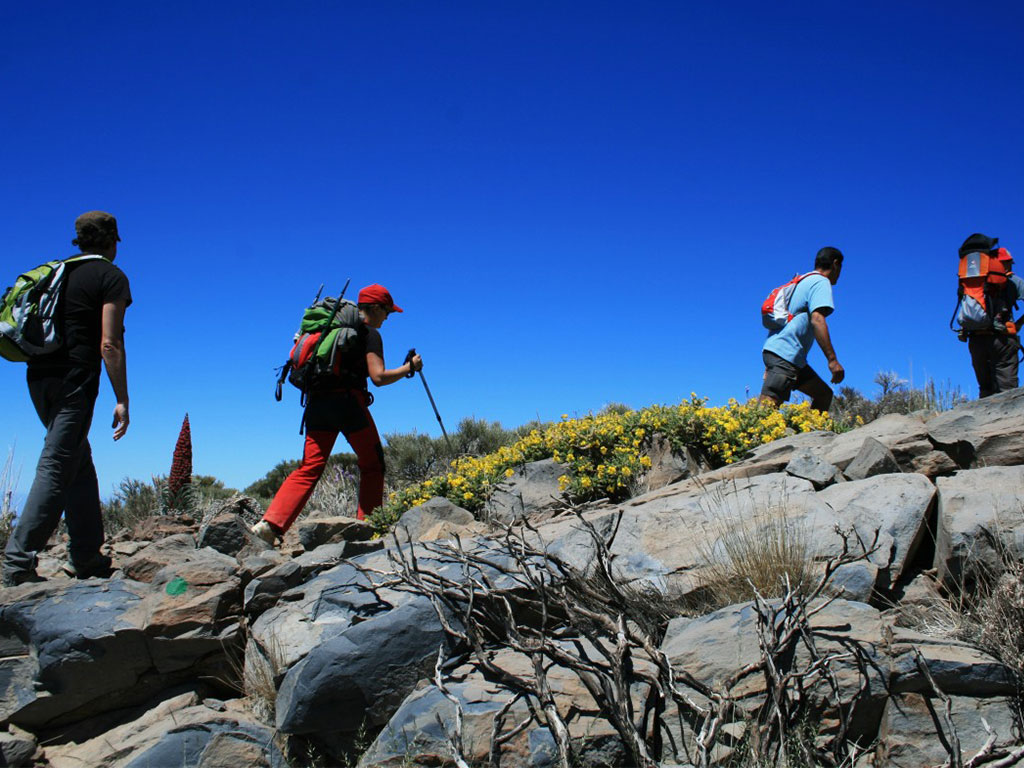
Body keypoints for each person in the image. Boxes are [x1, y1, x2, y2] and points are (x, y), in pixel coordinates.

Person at [2, 211, 131, 587]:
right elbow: (110, 342)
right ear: (112, 240)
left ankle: (87, 554)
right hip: (75, 378)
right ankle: (17, 563)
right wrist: (122, 398)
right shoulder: (110, 276)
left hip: (38, 376)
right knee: (58, 463)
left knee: (78, 459)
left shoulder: (57, 271)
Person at [252, 284, 423, 544]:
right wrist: (408, 367)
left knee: (310, 467)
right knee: (373, 465)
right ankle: (369, 527)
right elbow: (378, 377)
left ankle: (271, 525)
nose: (387, 318)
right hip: (349, 405)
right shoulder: (369, 333)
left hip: (316, 404)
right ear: (375, 308)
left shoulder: (323, 330)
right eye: (387, 312)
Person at [760, 246, 844, 412]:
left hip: (788, 357)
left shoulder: (803, 281)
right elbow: (817, 319)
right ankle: (746, 436)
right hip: (785, 356)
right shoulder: (821, 282)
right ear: (835, 264)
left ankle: (812, 435)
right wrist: (832, 360)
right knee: (765, 411)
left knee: (823, 395)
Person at [962, 237, 1020, 398]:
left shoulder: (971, 280)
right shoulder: (1012, 281)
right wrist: (1018, 324)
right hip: (1003, 339)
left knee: (985, 389)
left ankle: (985, 421)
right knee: (1008, 390)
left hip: (976, 339)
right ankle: (1008, 422)